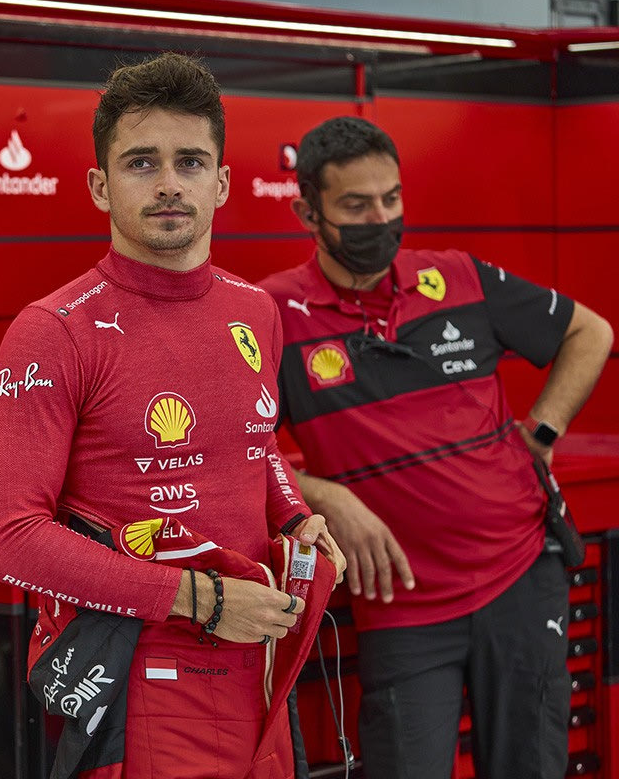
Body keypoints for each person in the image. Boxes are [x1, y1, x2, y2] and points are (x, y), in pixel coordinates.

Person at [0, 53, 344, 779]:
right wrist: (200, 600)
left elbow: (255, 439)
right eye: (141, 162)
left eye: (190, 162)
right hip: (143, 676)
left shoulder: (254, 310)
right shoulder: (53, 330)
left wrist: (296, 515)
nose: (169, 182)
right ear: (100, 186)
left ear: (221, 183)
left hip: (260, 653)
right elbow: (8, 541)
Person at [259, 115, 613, 779]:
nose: (381, 219)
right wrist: (323, 494)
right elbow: (237, 447)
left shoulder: (459, 277)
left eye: (391, 199)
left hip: (521, 577)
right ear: (308, 212)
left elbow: (590, 333)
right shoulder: (273, 314)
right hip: (404, 608)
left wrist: (541, 432)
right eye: (357, 206)